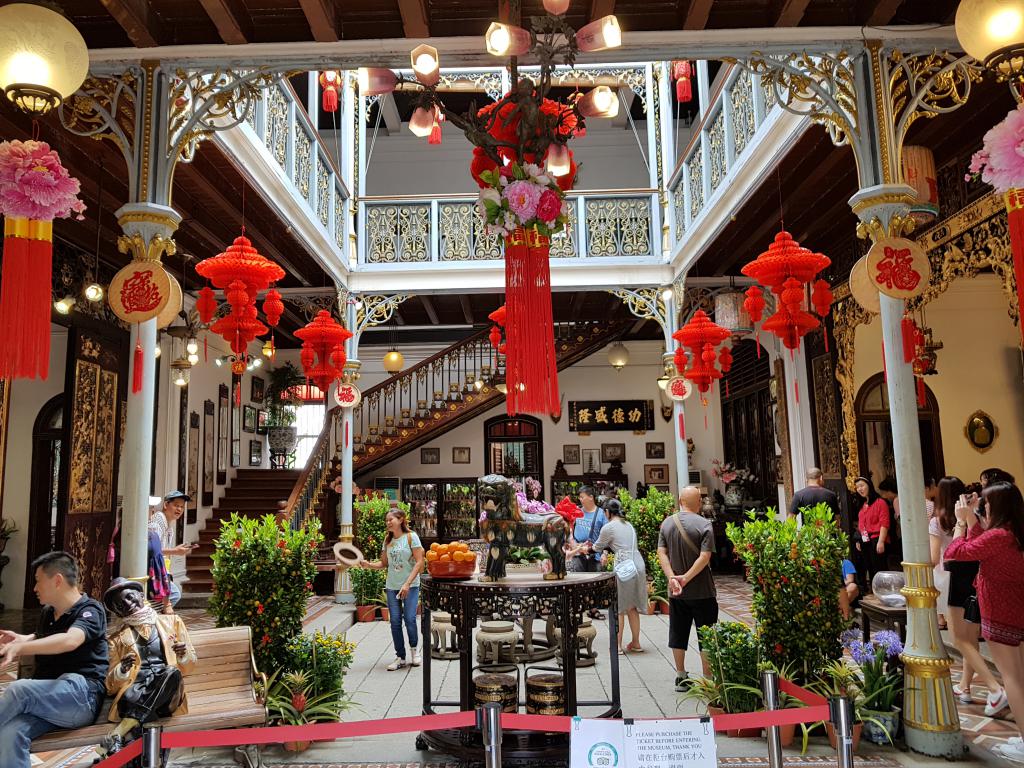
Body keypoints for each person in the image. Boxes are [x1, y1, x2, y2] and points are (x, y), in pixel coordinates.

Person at [0, 552, 108, 768]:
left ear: (57, 580)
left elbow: (70, 640)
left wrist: (21, 647)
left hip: (81, 696)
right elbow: (49, 639)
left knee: (20, 690)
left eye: (38, 581)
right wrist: (24, 638)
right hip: (50, 702)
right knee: (12, 733)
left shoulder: (90, 610)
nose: (34, 588)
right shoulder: (48, 613)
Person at [945, 481, 1024, 760]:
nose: (982, 509)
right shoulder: (1012, 533)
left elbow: (954, 554)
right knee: (1019, 676)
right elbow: (977, 545)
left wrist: (962, 523)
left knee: (1012, 678)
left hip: (1000, 609)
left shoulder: (998, 536)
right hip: (1014, 607)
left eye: (986, 505)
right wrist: (973, 523)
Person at [98, 578, 197, 757]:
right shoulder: (115, 640)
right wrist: (122, 670)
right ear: (117, 612)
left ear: (141, 595)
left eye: (130, 597)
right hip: (135, 692)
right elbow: (110, 686)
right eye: (120, 604)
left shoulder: (172, 622)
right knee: (140, 707)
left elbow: (189, 668)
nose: (127, 604)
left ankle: (119, 732)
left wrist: (183, 655)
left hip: (168, 693)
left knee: (171, 672)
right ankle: (150, 759)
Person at [657, 486, 717, 693]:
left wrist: (672, 577)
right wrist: (686, 578)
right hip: (703, 591)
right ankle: (708, 679)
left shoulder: (667, 523)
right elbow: (705, 557)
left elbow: (661, 554)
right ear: (698, 503)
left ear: (679, 501)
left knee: (678, 632)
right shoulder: (705, 525)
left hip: (676, 592)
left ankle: (681, 676)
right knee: (706, 634)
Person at [359, 508, 425, 670]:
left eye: (391, 520)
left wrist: (407, 584)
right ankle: (400, 657)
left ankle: (414, 651)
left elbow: (419, 562)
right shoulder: (387, 541)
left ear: (401, 519)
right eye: (386, 520)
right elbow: (384, 564)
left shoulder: (411, 537)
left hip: (410, 586)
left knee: (409, 619)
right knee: (395, 621)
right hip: (392, 586)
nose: (388, 523)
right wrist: (369, 565)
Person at [585, 498, 647, 654]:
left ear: (607, 512)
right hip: (637, 564)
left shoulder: (609, 527)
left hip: (624, 565)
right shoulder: (629, 525)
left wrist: (584, 549)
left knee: (619, 607)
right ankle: (636, 642)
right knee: (632, 606)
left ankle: (617, 645)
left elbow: (597, 547)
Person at [149, 491, 198, 610]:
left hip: (158, 570)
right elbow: (152, 548)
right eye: (176, 505)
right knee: (174, 594)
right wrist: (174, 551)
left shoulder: (169, 526)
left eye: (182, 507)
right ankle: (149, 614)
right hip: (152, 569)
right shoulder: (158, 520)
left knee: (173, 595)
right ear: (166, 505)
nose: (179, 509)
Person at [570, 485, 607, 620]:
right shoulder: (577, 512)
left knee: (593, 582)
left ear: (591, 497)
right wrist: (573, 543)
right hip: (578, 553)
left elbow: (607, 535)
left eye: (582, 496)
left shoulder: (601, 514)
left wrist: (605, 553)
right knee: (578, 581)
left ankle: (593, 608)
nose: (580, 499)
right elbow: (570, 531)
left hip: (594, 553)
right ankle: (581, 608)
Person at [853, 476, 890, 588]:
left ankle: (884, 589)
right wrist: (860, 539)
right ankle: (875, 591)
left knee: (879, 567)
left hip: (877, 538)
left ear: (869, 486)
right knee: (869, 567)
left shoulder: (880, 502)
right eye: (857, 487)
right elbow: (861, 525)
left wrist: (881, 541)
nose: (860, 489)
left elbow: (884, 523)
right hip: (866, 540)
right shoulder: (863, 506)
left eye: (862, 486)